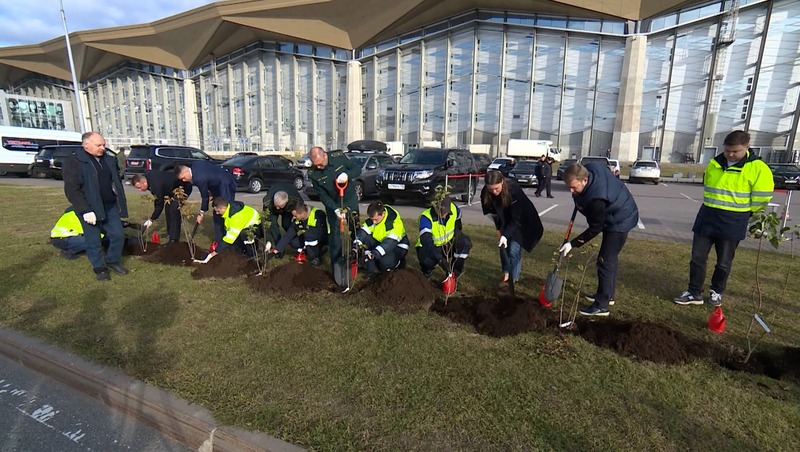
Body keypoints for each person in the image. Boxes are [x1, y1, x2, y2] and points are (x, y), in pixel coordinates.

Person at [673, 130, 773, 307]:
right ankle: (694, 292)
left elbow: (762, 197)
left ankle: (716, 291)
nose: (730, 154)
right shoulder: (715, 163)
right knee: (697, 258)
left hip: (734, 220)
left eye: (735, 151)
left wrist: (749, 214)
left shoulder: (758, 168)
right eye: (727, 150)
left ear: (747, 147)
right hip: (708, 217)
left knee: (724, 262)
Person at [560, 162, 639, 316]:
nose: (571, 191)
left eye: (574, 187)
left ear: (584, 180)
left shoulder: (597, 198)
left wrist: (572, 244)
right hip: (616, 210)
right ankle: (608, 295)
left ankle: (602, 305)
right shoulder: (588, 168)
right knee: (610, 258)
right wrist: (579, 197)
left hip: (620, 219)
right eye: (569, 187)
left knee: (605, 260)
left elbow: (596, 228)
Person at [62, 132, 128, 281]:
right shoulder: (74, 162)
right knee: (93, 240)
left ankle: (112, 260)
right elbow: (72, 190)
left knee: (118, 235)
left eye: (104, 145)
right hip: (90, 208)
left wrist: (119, 202)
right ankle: (100, 268)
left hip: (109, 206)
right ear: (86, 145)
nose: (103, 148)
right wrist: (85, 210)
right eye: (99, 145)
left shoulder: (108, 160)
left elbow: (115, 182)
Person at [307, 146, 362, 281]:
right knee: (335, 236)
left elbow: (357, 169)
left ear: (325, 155)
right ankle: (337, 265)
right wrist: (335, 209)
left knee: (355, 229)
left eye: (320, 164)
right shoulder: (313, 174)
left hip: (349, 200)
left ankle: (358, 258)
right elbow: (323, 196)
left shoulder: (339, 157)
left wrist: (347, 175)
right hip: (333, 205)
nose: (318, 167)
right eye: (315, 165)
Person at [481, 170, 543, 288]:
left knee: (514, 249)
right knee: (503, 248)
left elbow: (516, 219)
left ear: (502, 182)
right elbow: (492, 213)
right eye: (491, 189)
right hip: (504, 220)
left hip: (522, 221)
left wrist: (505, 235)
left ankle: (513, 278)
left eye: (497, 189)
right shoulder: (486, 192)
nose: (494, 192)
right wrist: (499, 230)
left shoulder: (514, 190)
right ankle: (506, 273)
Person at [175, 161, 236, 243]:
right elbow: (209, 175)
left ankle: (228, 239)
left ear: (186, 171)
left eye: (183, 177)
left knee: (225, 210)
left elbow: (204, 196)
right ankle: (220, 239)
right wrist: (211, 192)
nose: (184, 180)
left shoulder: (198, 178)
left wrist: (201, 213)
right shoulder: (195, 164)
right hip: (218, 185)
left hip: (226, 184)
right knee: (217, 211)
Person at [416, 195, 472, 279]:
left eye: (445, 212)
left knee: (464, 242)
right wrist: (440, 260)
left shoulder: (453, 208)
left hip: (448, 244)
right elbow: (426, 241)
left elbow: (457, 221)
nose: (442, 214)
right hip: (430, 247)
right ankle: (427, 272)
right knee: (427, 260)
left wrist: (457, 232)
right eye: (440, 211)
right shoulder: (426, 218)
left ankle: (453, 274)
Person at [131, 171, 193, 243]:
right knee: (168, 207)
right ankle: (170, 233)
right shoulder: (147, 177)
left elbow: (159, 204)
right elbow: (158, 200)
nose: (140, 190)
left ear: (144, 182)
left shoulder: (155, 185)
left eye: (139, 187)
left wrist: (152, 219)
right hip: (172, 190)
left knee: (174, 209)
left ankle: (174, 239)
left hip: (183, 188)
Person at [355, 201, 409, 277]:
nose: (374, 222)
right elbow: (363, 232)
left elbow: (389, 244)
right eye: (372, 219)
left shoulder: (393, 223)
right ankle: (373, 270)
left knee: (385, 262)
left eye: (376, 220)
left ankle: (398, 264)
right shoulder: (375, 218)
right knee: (367, 238)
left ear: (383, 214)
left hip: (398, 246)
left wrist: (372, 255)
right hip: (382, 243)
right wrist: (355, 247)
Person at [200, 197, 262, 262]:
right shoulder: (229, 209)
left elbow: (229, 240)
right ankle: (242, 253)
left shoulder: (235, 217)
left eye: (218, 211)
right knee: (234, 247)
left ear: (223, 208)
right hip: (244, 225)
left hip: (255, 227)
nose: (217, 213)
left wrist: (212, 254)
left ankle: (252, 257)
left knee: (245, 235)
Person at [271, 200, 328, 266]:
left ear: (303, 214)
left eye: (295, 216)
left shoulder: (318, 214)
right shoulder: (297, 220)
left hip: (323, 238)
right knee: (293, 241)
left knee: (308, 236)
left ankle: (317, 255)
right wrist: (278, 249)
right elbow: (288, 235)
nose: (294, 217)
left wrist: (306, 230)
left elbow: (322, 232)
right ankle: (308, 251)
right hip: (308, 237)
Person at [262, 182, 303, 254]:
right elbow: (266, 222)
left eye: (280, 206)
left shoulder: (295, 199)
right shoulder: (267, 202)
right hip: (272, 209)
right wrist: (268, 240)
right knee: (273, 225)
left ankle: (297, 244)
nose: (278, 208)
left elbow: (301, 208)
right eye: (276, 205)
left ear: (286, 201)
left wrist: (295, 216)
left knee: (286, 224)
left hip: (288, 208)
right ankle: (278, 247)